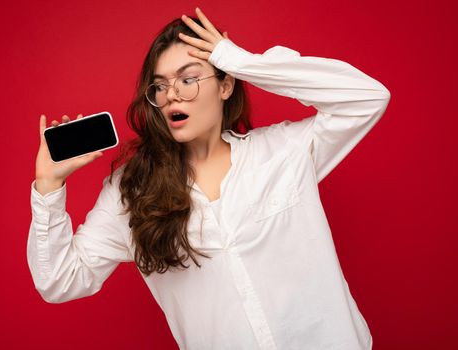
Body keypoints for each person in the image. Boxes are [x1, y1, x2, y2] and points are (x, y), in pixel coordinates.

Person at [28, 7, 390, 350]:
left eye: (188, 79)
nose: (172, 94)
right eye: (160, 85)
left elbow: (367, 99)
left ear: (225, 85)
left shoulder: (283, 152)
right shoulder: (131, 191)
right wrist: (48, 187)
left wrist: (239, 61)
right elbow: (60, 280)